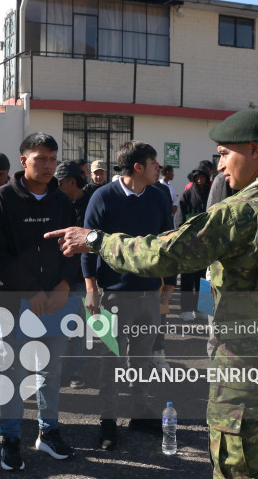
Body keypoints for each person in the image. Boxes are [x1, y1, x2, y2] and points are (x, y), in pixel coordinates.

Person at [45, 109, 258, 478]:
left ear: (254, 150)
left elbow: (162, 254)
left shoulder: (239, 212)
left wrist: (93, 239)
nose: (220, 166)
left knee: (237, 465)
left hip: (245, 361)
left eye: (224, 153)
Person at [0, 133, 79, 471]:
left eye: (53, 158)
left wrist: (66, 283)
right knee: (14, 373)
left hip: (56, 302)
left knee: (51, 373)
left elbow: (73, 246)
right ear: (24, 161)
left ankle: (47, 432)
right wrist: (30, 290)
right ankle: (10, 438)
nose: (49, 165)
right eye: (41, 158)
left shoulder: (62, 200)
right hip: (16, 303)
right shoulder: (2, 199)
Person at [81, 140, 177, 451]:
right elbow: (87, 246)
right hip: (113, 297)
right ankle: (107, 421)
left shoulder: (159, 196)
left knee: (143, 358)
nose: (158, 168)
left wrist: (168, 287)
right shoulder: (103, 197)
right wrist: (91, 290)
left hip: (149, 295)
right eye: (154, 163)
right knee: (111, 360)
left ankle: (140, 412)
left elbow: (167, 243)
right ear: (138, 167)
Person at [54, 160, 91, 388]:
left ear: (71, 181)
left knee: (78, 329)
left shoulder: (91, 203)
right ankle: (56, 372)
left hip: (82, 278)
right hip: (58, 278)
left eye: (59, 182)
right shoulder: (56, 204)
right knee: (57, 329)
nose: (55, 186)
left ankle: (76, 372)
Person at [175, 163, 211, 322]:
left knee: (203, 279)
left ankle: (202, 309)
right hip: (189, 245)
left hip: (206, 246)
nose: (200, 180)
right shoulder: (186, 195)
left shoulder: (212, 195)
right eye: (197, 177)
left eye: (203, 177)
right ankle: (186, 309)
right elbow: (180, 220)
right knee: (188, 279)